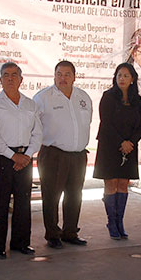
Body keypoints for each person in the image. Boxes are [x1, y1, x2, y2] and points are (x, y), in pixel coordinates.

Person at [0, 62, 42, 258]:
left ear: (21, 79)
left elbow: (38, 133)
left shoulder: (30, 104)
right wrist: (13, 156)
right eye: (6, 75)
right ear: (0, 80)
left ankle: (21, 243)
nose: (10, 78)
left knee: (23, 203)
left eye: (14, 75)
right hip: (2, 158)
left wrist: (27, 155)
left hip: (25, 158)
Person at [33, 60, 92, 249]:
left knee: (75, 195)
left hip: (78, 156)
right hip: (53, 154)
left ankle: (70, 232)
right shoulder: (43, 98)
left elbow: (86, 122)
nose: (63, 78)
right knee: (51, 196)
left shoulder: (83, 97)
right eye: (59, 74)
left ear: (74, 77)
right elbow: (33, 126)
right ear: (54, 75)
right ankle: (52, 234)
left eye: (67, 74)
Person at [93, 63, 141, 240]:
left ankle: (120, 221)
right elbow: (105, 123)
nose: (122, 79)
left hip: (129, 148)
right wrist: (121, 142)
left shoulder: (137, 100)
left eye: (126, 76)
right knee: (111, 184)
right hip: (110, 146)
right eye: (119, 75)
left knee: (123, 184)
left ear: (132, 79)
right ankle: (111, 223)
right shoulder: (108, 97)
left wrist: (130, 142)